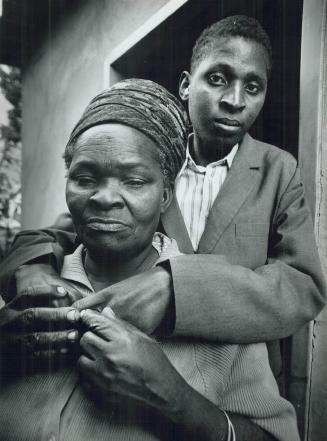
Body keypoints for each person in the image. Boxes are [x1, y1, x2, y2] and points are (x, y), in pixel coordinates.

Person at [0, 15, 325, 381]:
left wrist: (176, 288)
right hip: (130, 362)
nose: (235, 101)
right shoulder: (147, 164)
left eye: (253, 87)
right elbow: (62, 232)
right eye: (217, 78)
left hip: (237, 379)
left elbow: (302, 285)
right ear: (186, 86)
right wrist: (31, 267)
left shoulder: (277, 169)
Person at [0, 79, 299, 441]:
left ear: (165, 196)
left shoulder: (222, 315)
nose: (104, 198)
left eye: (135, 181)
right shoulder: (24, 290)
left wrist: (176, 402)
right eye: (84, 178)